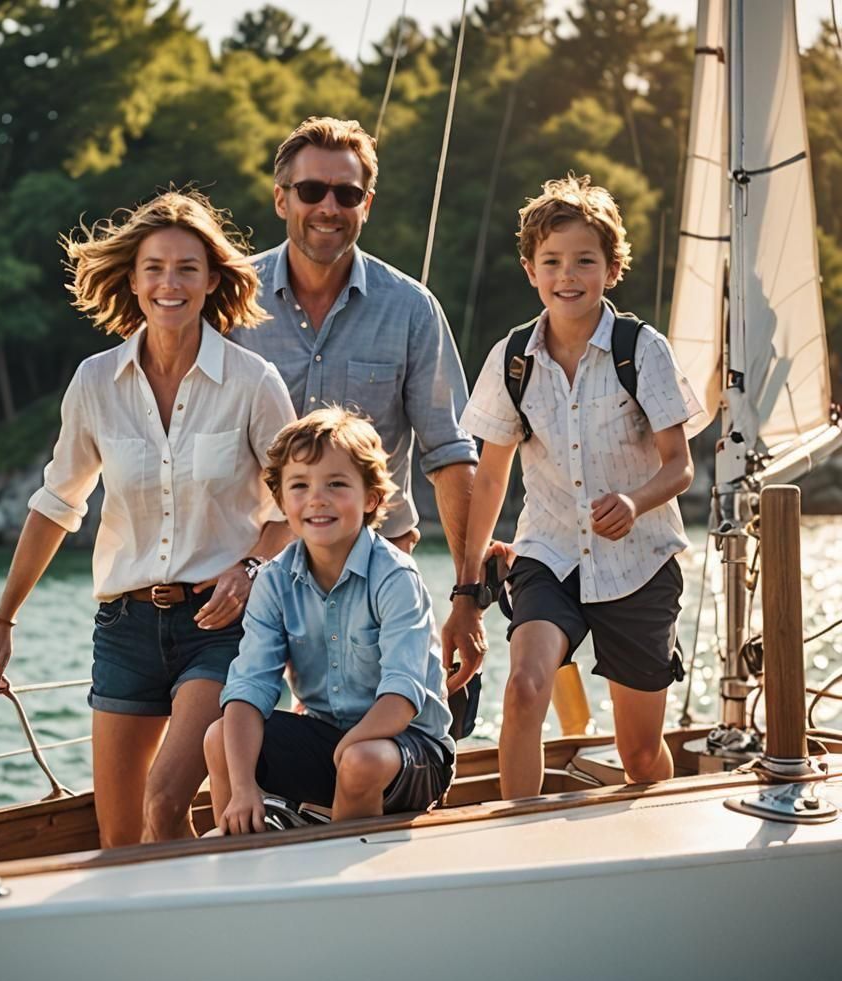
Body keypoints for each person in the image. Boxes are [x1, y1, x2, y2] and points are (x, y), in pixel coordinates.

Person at [0, 190, 296, 847]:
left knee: (165, 795)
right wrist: (1, 624)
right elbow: (56, 504)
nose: (168, 283)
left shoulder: (253, 381)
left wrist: (251, 567)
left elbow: (297, 509)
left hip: (221, 625)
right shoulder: (95, 382)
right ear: (133, 279)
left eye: (185, 268)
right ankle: (169, 940)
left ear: (211, 282)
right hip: (123, 627)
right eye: (154, 268)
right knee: (120, 841)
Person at [444, 174, 701, 799]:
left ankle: (654, 842)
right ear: (531, 269)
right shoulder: (513, 360)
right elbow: (494, 476)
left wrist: (636, 502)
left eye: (585, 260)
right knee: (525, 685)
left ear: (612, 269)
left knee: (640, 755)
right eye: (552, 261)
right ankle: (521, 848)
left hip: (639, 564)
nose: (568, 275)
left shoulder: (643, 350)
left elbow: (680, 465)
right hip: (548, 555)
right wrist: (467, 588)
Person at [229, 118, 478, 597]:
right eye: (311, 190)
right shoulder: (232, 299)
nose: (328, 207)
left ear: (366, 204)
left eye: (346, 194)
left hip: (378, 575)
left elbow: (449, 453)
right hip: (257, 576)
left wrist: (468, 592)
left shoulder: (412, 309)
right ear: (281, 198)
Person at [204, 408, 456, 833]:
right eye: (299, 486)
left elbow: (402, 695)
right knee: (219, 738)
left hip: (412, 750)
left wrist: (352, 746)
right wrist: (245, 784)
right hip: (331, 738)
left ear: (371, 498)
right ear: (282, 502)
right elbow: (249, 687)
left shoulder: (395, 576)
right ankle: (241, 863)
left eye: (336, 485)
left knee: (359, 761)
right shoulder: (274, 580)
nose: (317, 499)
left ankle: (342, 879)